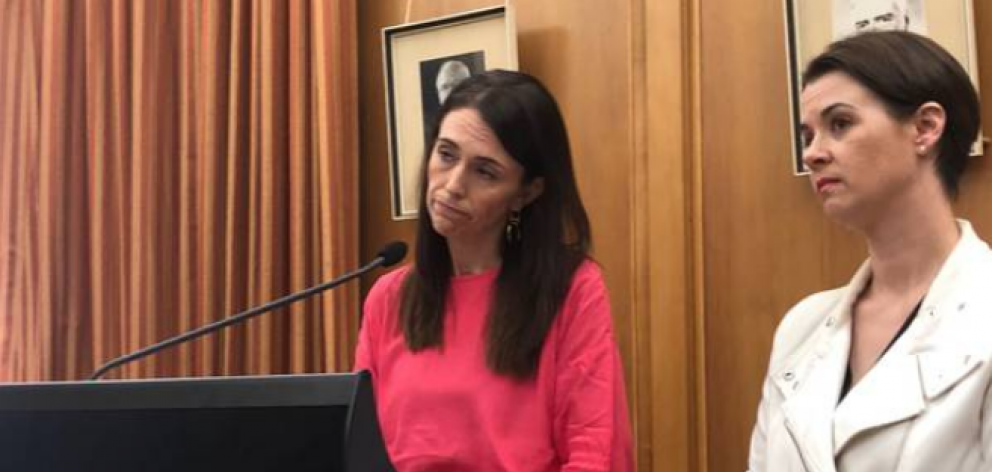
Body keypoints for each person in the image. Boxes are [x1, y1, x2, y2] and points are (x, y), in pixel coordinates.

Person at [356, 70, 634, 471]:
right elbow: (360, 450)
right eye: (446, 154)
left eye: (484, 171)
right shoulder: (389, 296)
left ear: (526, 192)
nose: (452, 185)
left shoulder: (572, 289)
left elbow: (595, 450)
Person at [748, 31, 990, 471]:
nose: (814, 154)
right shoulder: (800, 328)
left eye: (840, 123)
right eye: (808, 135)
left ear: (925, 128)